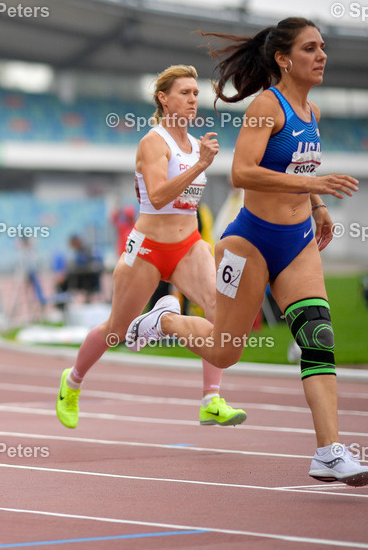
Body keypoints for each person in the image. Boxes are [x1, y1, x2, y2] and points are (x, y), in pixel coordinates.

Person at [126, 18, 368, 486]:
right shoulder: (266, 106)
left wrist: (317, 205)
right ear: (283, 59)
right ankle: (165, 320)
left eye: (322, 47)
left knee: (317, 335)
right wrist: (316, 184)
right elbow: (241, 172)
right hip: (251, 242)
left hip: (298, 241)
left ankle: (329, 451)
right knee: (225, 352)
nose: (321, 55)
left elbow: (300, 169)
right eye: (309, 48)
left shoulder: (312, 112)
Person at [56, 65, 247, 430]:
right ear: (163, 98)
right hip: (147, 250)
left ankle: (211, 399)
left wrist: (202, 161)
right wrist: (201, 165)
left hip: (189, 246)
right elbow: (158, 197)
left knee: (220, 313)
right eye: (184, 93)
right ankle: (73, 381)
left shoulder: (196, 145)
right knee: (116, 330)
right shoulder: (153, 142)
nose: (192, 99)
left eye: (196, 93)